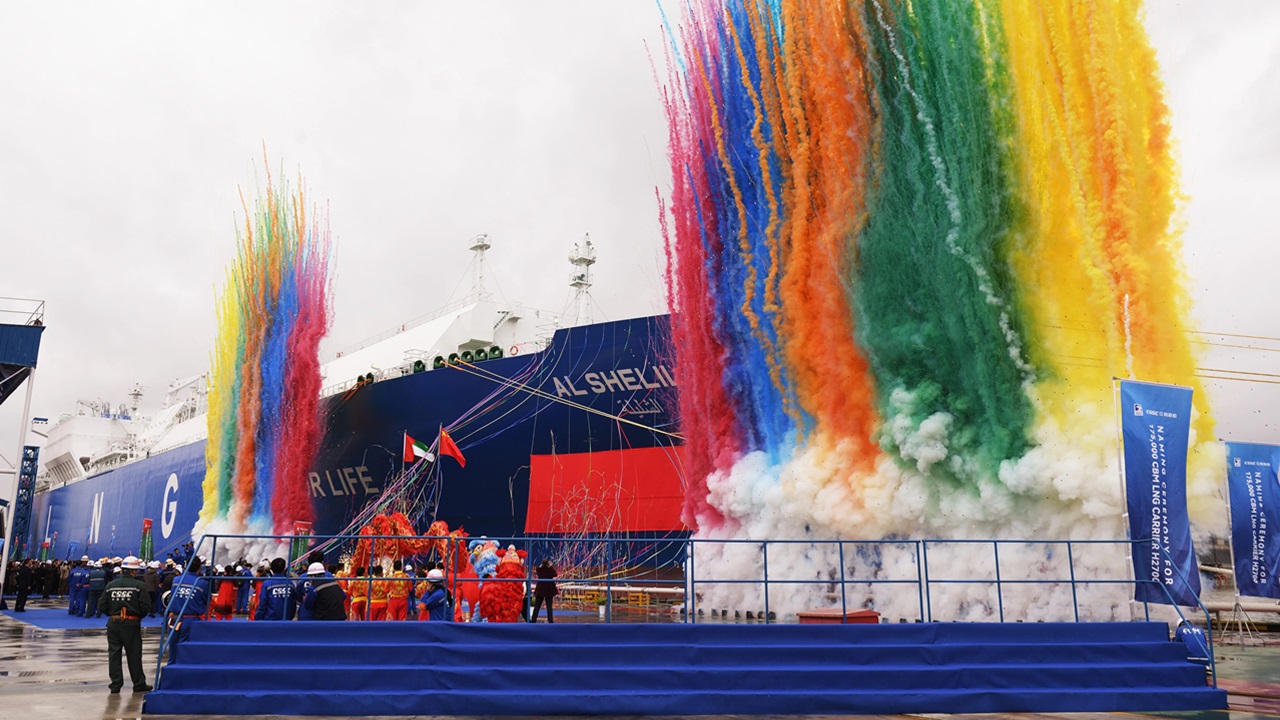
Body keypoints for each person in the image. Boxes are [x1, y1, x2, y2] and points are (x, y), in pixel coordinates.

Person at [98, 556, 152, 694]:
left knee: (114, 654)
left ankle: (116, 684)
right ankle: (138, 683)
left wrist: (113, 614)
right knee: (134, 654)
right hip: (131, 623)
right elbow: (146, 606)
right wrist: (138, 616)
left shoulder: (110, 585)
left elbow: (101, 605)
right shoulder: (139, 586)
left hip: (113, 623)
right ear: (134, 572)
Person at [165, 556, 210, 662]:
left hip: (174, 619)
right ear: (199, 567)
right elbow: (207, 601)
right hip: (191, 620)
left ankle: (170, 673)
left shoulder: (176, 580)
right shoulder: (202, 583)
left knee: (173, 650)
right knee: (187, 652)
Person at [531, 558, 559, 623]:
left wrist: (541, 565)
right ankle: (550, 620)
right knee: (549, 606)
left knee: (537, 606)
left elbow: (537, 570)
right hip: (548, 590)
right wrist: (551, 566)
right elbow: (555, 574)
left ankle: (533, 620)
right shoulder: (550, 570)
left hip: (540, 590)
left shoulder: (540, 570)